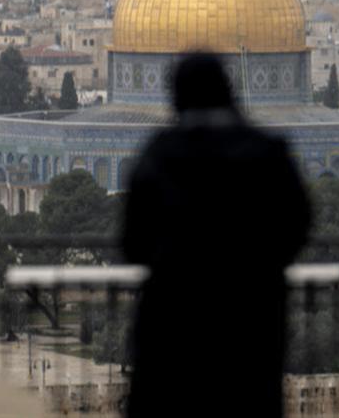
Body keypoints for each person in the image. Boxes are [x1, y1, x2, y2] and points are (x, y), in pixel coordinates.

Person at [122, 53, 311, 417]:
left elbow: (133, 242)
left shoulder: (159, 155)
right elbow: (297, 227)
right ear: (230, 90)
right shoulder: (267, 152)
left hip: (173, 320)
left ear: (176, 97)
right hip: (250, 317)